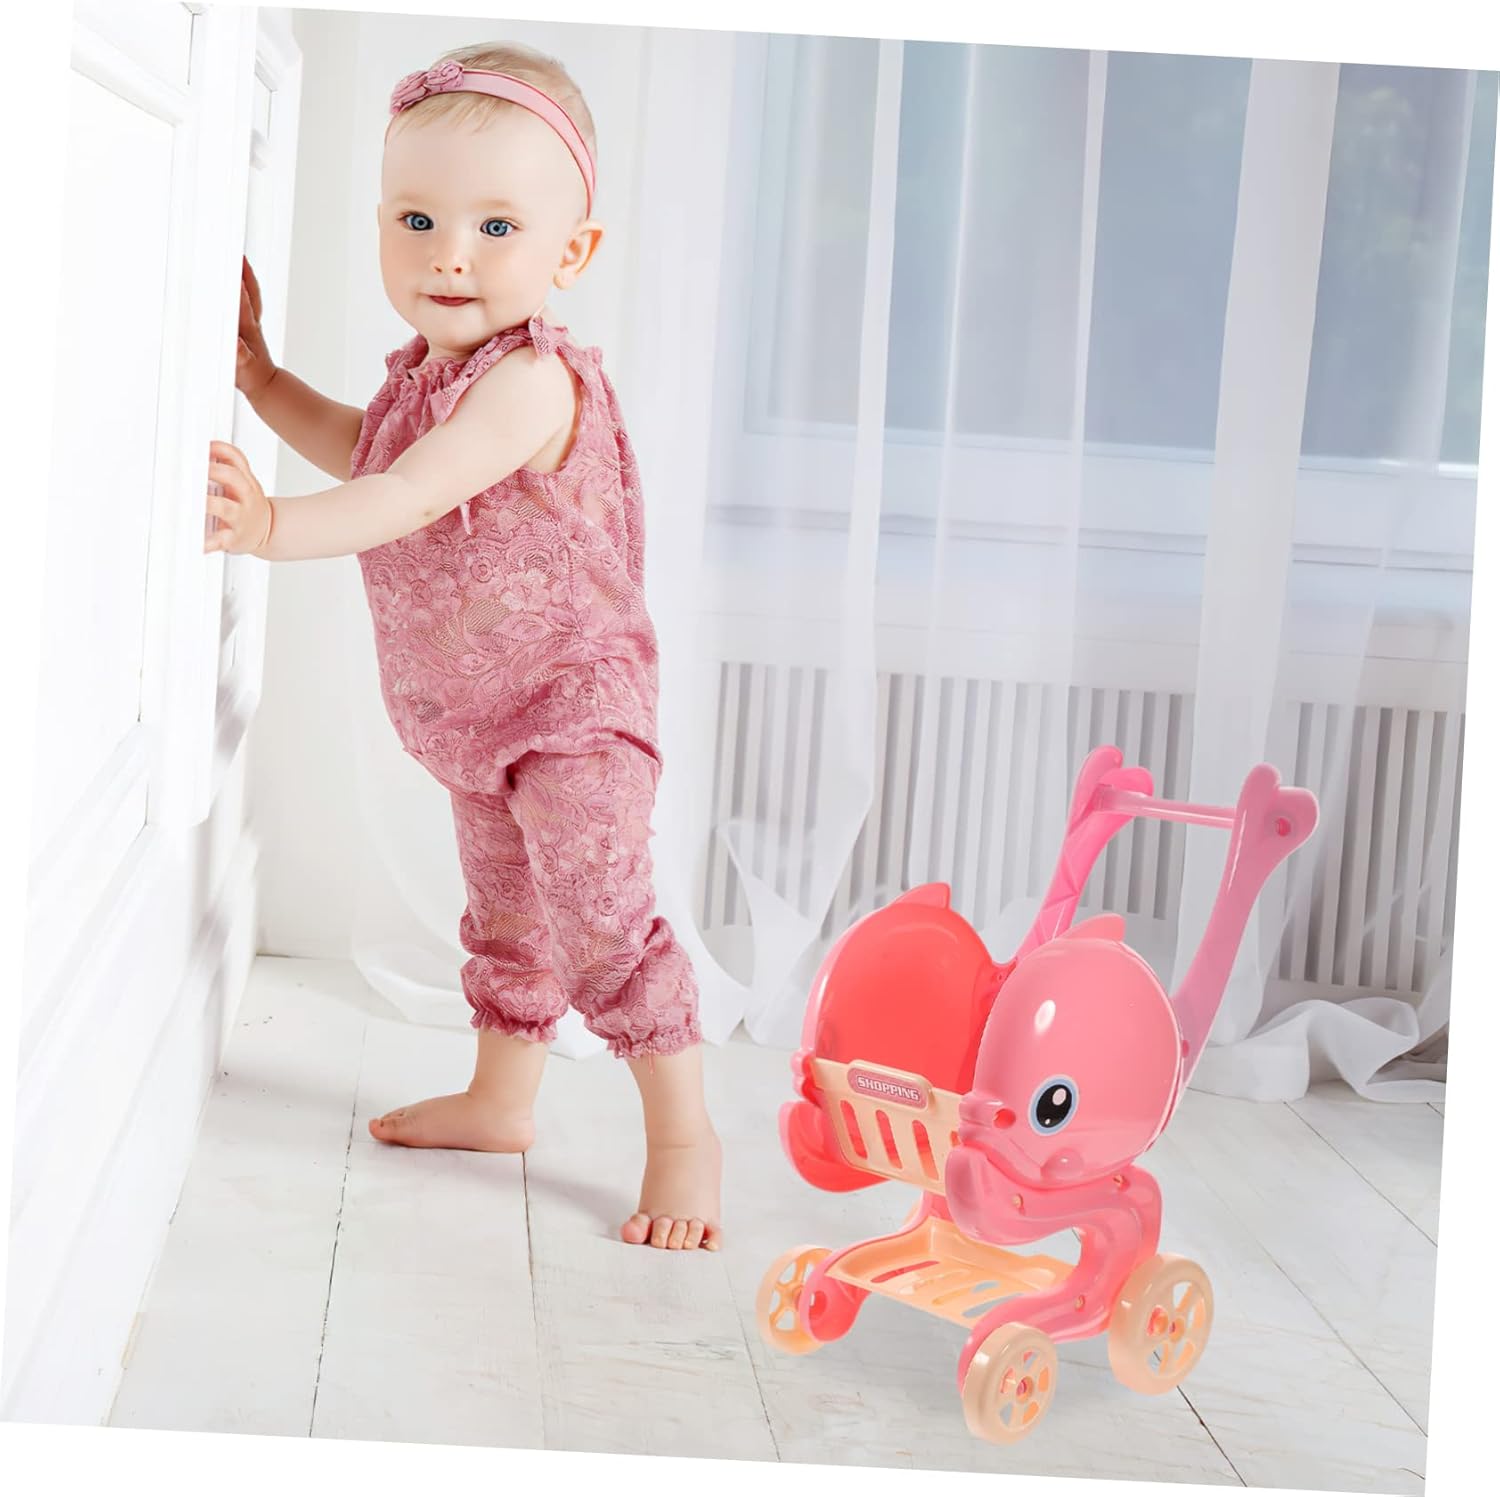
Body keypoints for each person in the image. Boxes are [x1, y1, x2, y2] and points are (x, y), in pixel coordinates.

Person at [211, 41, 722, 1251]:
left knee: (602, 922)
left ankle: (685, 1142)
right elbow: (372, 451)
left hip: (574, 712)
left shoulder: (531, 382)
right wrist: (264, 381)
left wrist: (272, 528)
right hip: (483, 718)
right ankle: (501, 1102)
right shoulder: (425, 377)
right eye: (419, 219)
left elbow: (407, 492)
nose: (450, 252)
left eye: (497, 227)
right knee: (506, 916)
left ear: (570, 254)